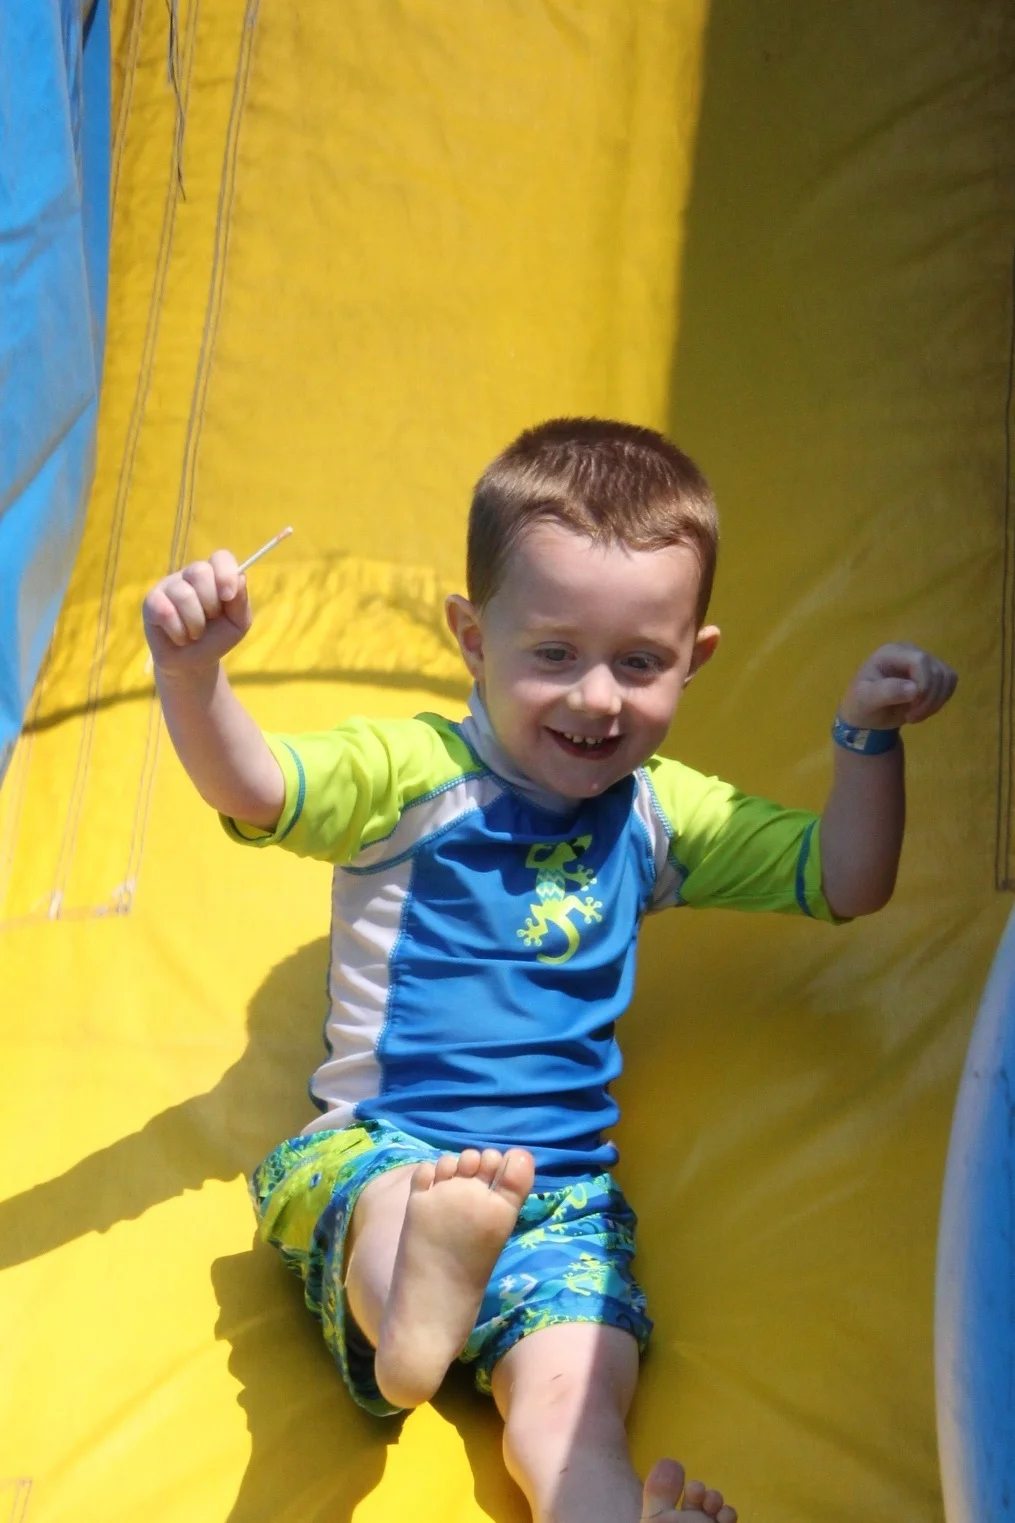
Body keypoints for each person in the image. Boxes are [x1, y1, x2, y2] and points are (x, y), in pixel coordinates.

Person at [141, 417, 956, 1523]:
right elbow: (257, 786)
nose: (597, 698)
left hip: (559, 1200)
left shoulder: (660, 812)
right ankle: (409, 1331)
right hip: (394, 1149)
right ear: (473, 638)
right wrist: (194, 675)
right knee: (386, 1221)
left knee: (576, 1413)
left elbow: (845, 877)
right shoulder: (410, 772)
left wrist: (865, 735)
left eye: (640, 661)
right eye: (553, 654)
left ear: (693, 659)